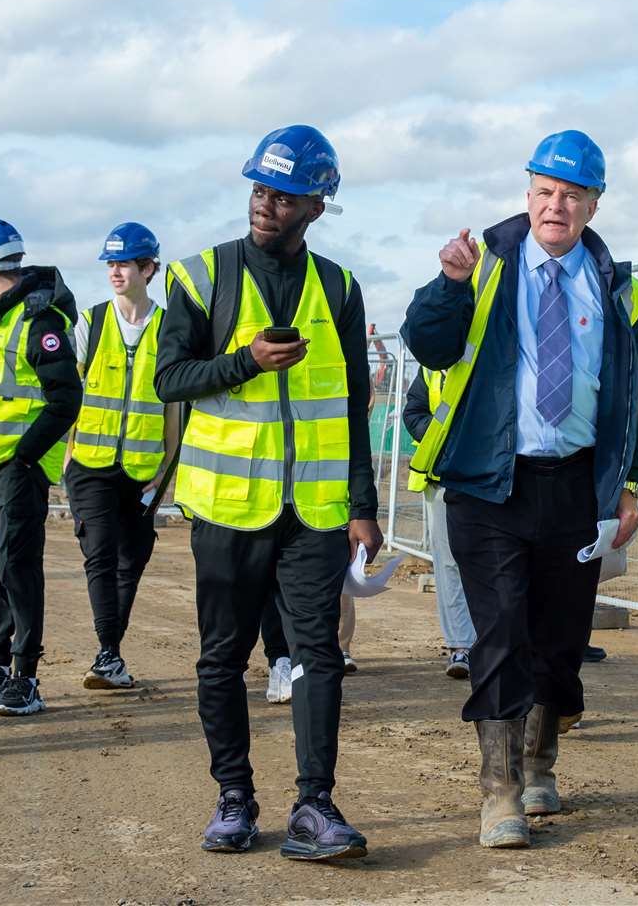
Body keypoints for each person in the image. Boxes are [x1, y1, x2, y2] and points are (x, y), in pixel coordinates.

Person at [402, 129, 638, 849]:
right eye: (546, 193)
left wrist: (629, 481)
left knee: (559, 643)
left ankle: (541, 758)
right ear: (527, 196)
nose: (557, 206)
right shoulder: (483, 266)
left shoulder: (623, 291)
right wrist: (446, 286)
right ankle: (499, 790)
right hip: (488, 486)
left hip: (575, 488)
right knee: (500, 634)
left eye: (572, 195)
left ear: (593, 204)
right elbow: (427, 345)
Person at [155, 124, 383, 859]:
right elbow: (169, 380)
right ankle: (234, 799)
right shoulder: (200, 278)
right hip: (225, 509)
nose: (265, 205)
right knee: (222, 658)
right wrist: (243, 362)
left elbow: (353, 404)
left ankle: (314, 806)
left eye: (283, 196)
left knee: (318, 656)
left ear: (316, 206)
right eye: (259, 189)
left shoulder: (340, 288)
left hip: (313, 514)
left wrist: (362, 505)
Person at [0, 218, 80, 718]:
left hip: (19, 469)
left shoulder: (39, 323)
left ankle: (26, 676)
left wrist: (26, 455)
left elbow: (66, 398)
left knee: (17, 567)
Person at [65, 222, 181, 689]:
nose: (115, 271)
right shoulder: (90, 322)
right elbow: (69, 394)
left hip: (143, 467)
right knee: (100, 553)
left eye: (125, 263)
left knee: (134, 557)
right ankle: (107, 652)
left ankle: (110, 650)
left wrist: (168, 468)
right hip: (90, 464)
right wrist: (68, 455)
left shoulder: (170, 326)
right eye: (111, 263)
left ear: (149, 268)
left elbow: (175, 404)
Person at [402, 366, 477, 679]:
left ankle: (492, 643)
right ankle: (461, 646)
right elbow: (413, 412)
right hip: (440, 478)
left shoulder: (486, 353)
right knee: (448, 564)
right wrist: (439, 436)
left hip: (484, 476)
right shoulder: (430, 369)